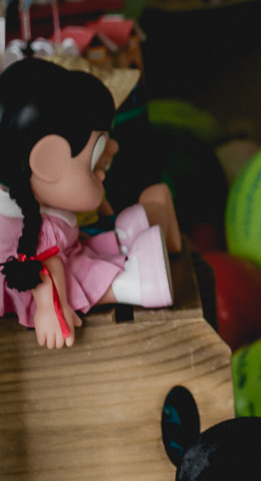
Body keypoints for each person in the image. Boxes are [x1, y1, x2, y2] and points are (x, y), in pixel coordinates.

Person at [0, 58, 174, 349]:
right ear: (49, 162)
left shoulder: (36, 205)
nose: (112, 150)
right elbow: (44, 267)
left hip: (67, 253)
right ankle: (132, 282)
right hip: (33, 284)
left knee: (83, 257)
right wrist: (51, 308)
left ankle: (124, 239)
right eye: (93, 161)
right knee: (77, 278)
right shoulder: (30, 228)